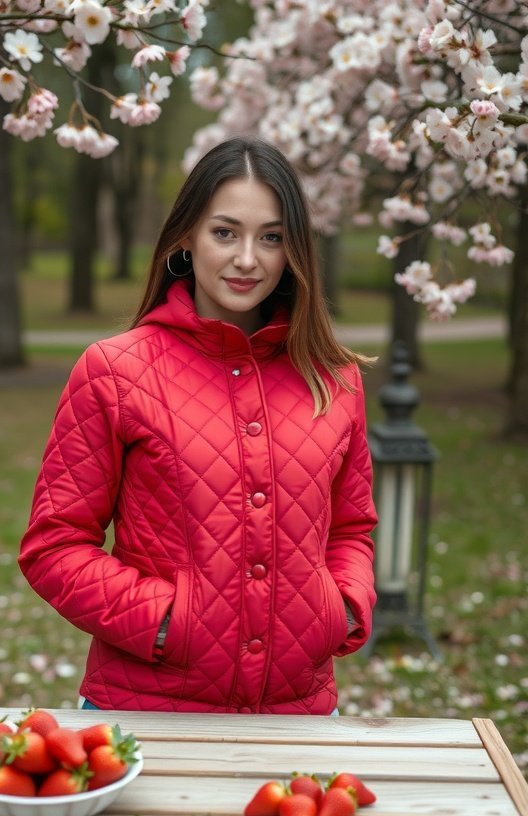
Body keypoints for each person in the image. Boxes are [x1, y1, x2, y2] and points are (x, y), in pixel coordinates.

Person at [19, 135, 377, 714]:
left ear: (295, 250)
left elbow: (351, 528)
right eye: (225, 232)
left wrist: (341, 609)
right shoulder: (115, 371)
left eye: (271, 238)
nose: (246, 259)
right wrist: (166, 623)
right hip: (145, 710)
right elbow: (54, 546)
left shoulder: (332, 381)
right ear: (186, 236)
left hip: (298, 713)